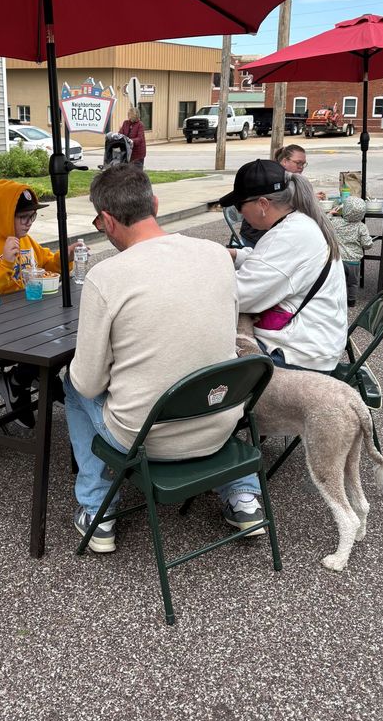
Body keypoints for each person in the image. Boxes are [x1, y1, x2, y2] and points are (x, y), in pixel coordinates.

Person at [65, 164, 259, 552]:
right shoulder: (217, 255)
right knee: (207, 366)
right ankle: (243, 497)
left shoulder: (106, 276)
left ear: (106, 221)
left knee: (71, 386)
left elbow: (89, 382)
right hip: (221, 419)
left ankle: (99, 512)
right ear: (154, 203)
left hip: (147, 438)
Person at [0, 179, 80, 424]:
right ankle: (21, 379)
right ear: (3, 216)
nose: (28, 222)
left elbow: (45, 263)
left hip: (27, 320)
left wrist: (63, 257)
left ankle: (34, 377)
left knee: (74, 334)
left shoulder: (25, 241)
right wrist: (4, 263)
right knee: (55, 339)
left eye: (32, 216)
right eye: (23, 217)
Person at [221, 159, 348, 374]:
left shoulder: (287, 236)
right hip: (318, 340)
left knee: (207, 355)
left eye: (239, 206)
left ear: (263, 204)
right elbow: (274, 263)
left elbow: (239, 296)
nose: (240, 213)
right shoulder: (300, 222)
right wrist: (235, 255)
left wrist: (204, 274)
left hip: (299, 353)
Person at [239, 143, 325, 247]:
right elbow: (286, 203)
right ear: (284, 161)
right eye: (298, 163)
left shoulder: (289, 179)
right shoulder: (273, 180)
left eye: (303, 164)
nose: (301, 167)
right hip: (257, 234)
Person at [329, 196, 373, 307]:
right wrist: (370, 242)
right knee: (353, 283)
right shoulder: (361, 227)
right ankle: (351, 300)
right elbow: (367, 244)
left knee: (338, 281)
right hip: (353, 262)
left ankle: (337, 300)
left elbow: (324, 221)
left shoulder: (336, 222)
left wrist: (330, 213)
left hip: (338, 259)